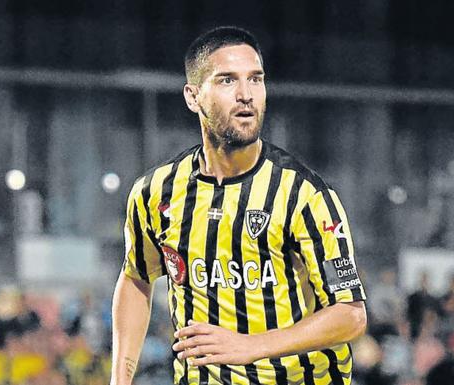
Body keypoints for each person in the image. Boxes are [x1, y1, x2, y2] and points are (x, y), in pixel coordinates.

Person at [109, 26, 368, 385]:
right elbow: (136, 279)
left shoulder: (304, 195)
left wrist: (251, 346)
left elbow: (351, 314)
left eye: (256, 79)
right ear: (193, 96)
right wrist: (120, 379)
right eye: (227, 81)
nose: (246, 95)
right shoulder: (156, 192)